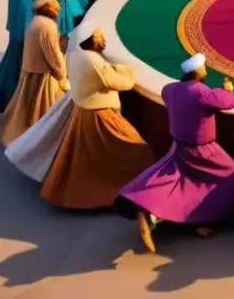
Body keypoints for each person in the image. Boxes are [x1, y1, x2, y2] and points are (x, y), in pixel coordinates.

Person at [117, 54, 234, 253]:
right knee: (233, 180)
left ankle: (151, 212)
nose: (206, 71)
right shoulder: (201, 92)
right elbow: (228, 102)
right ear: (197, 72)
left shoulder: (170, 90)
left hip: (179, 147)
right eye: (204, 68)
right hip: (204, 150)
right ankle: (205, 220)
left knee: (174, 183)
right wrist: (228, 90)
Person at [40, 27, 154, 209]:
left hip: (86, 111)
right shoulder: (91, 60)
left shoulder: (75, 53)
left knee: (88, 160)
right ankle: (137, 191)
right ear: (90, 39)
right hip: (100, 115)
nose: (102, 39)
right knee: (137, 150)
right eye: (99, 36)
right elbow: (122, 82)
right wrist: (127, 67)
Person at [0, 0, 69, 147]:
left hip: (30, 71)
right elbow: (54, 56)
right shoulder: (48, 27)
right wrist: (62, 75)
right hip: (45, 77)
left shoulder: (34, 22)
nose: (58, 9)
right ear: (45, 7)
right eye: (54, 7)